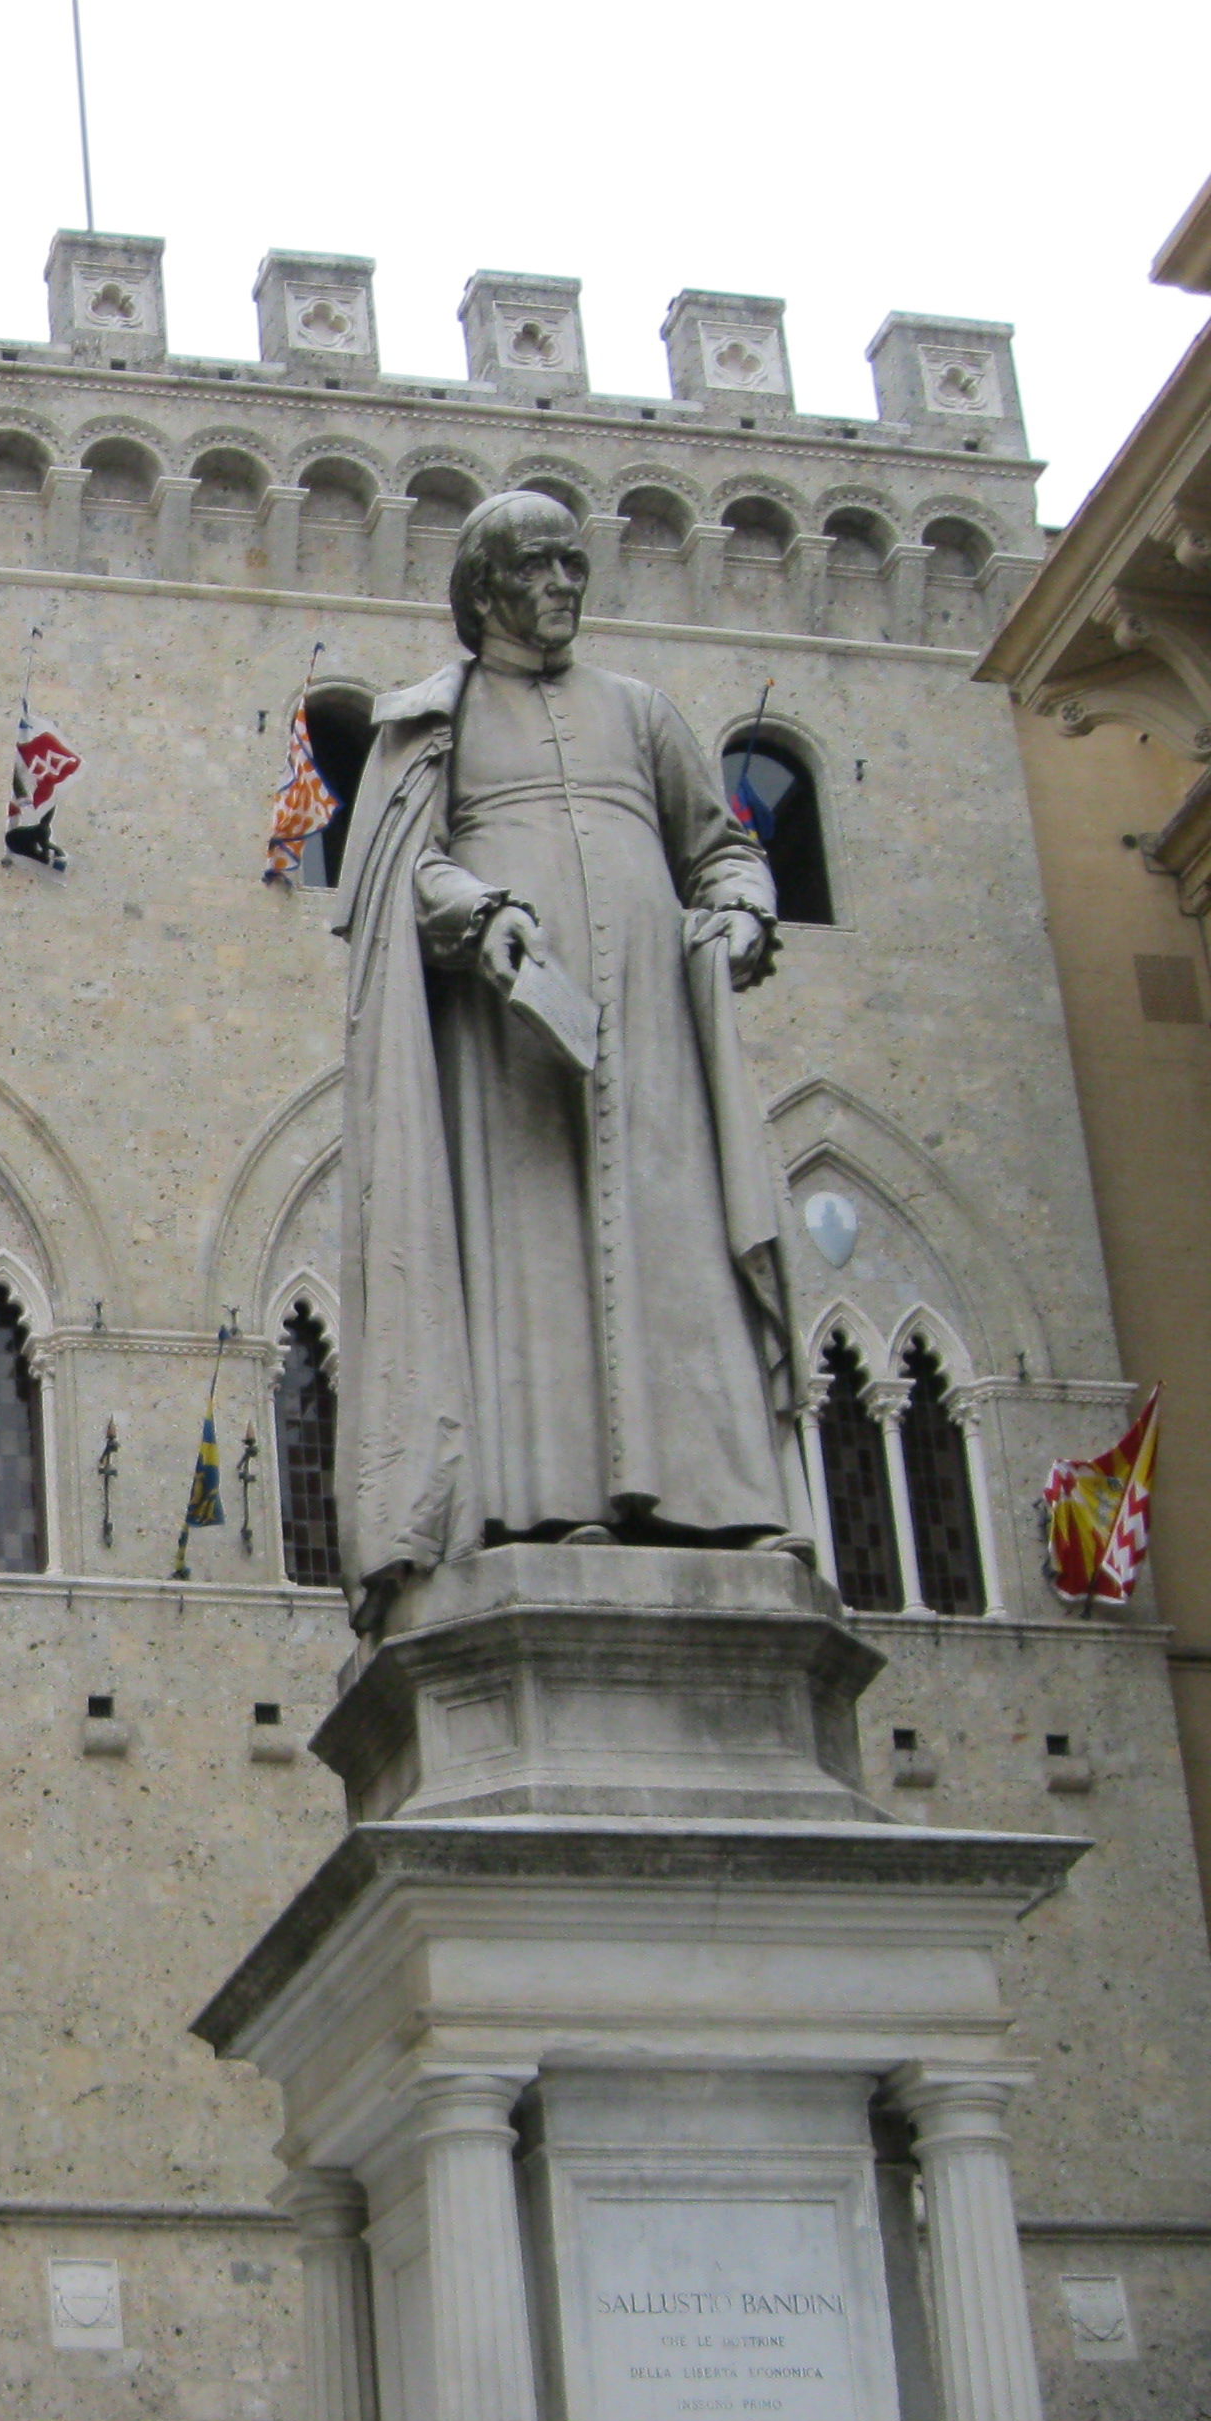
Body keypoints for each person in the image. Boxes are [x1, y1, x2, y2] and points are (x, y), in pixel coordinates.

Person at [328, 488, 806, 1627]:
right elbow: (399, 866)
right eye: (538, 568)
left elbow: (718, 848)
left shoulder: (640, 714)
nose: (562, 587)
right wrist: (476, 913)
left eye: (572, 566)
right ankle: (541, 1499)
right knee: (528, 1266)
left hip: (649, 1037)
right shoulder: (432, 722)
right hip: (511, 1047)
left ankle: (718, 1498)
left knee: (673, 1248)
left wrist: (742, 913)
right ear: (485, 589)